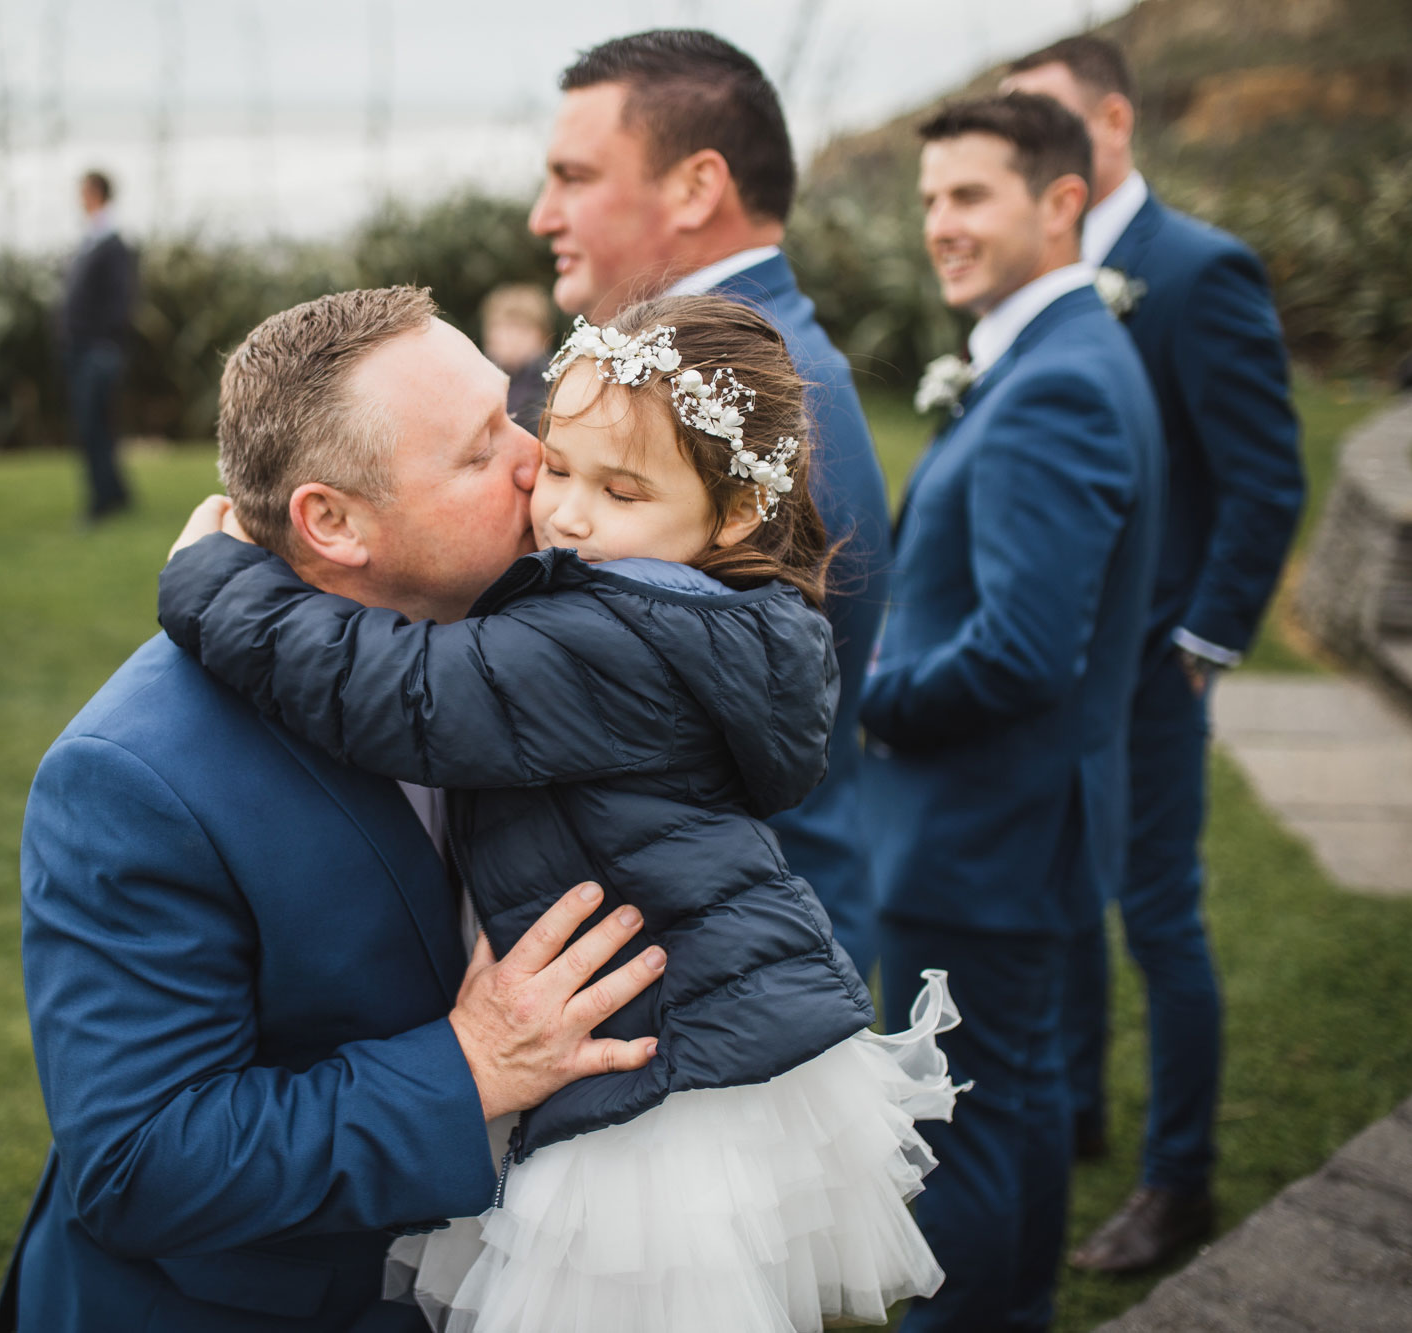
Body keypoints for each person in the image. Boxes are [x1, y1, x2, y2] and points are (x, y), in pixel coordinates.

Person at [159, 292, 962, 1333]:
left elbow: (405, 691)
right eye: (560, 459)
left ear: (728, 517)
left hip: (647, 1098)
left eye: (618, 489)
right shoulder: (696, 609)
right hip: (701, 1057)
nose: (560, 503)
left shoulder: (619, 630)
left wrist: (218, 582)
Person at [0, 286, 680, 1333]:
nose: (533, 457)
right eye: (474, 450)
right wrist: (471, 1067)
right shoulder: (130, 776)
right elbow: (142, 1163)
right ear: (331, 521)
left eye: (508, 411)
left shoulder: (524, 628)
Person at [861, 93, 1165, 1332]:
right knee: (1013, 1101)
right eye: (930, 197)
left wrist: (864, 700)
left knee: (960, 1127)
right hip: (1017, 823)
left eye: (969, 195)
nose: (940, 222)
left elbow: (1022, 653)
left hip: (981, 830)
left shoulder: (1057, 384)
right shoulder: (1063, 356)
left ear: (1058, 202)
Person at [1003, 36, 1305, 1275]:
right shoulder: (1042, 271)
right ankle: (1074, 1110)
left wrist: (1202, 640)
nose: (1014, 156)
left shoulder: (1192, 271)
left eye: (1041, 125)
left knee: (1159, 919)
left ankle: (1177, 1181)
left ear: (1111, 125)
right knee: (1066, 896)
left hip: (1152, 663)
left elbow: (1264, 475)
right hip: (1059, 664)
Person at [529, 29, 892, 977]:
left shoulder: (755, 399)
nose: (541, 215)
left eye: (573, 176)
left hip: (723, 953)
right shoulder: (771, 364)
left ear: (696, 187)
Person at [60, 169, 139, 523]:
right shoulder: (92, 237)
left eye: (82, 191)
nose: (78, 198)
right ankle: (116, 493)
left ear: (95, 194)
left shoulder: (111, 242)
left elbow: (120, 301)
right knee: (95, 424)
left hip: (97, 349)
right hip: (83, 347)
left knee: (95, 425)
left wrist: (101, 340)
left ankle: (103, 501)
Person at [478, 283, 553, 433]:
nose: (510, 338)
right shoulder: (479, 377)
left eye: (521, 328)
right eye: (501, 327)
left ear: (543, 336)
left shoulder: (551, 380)